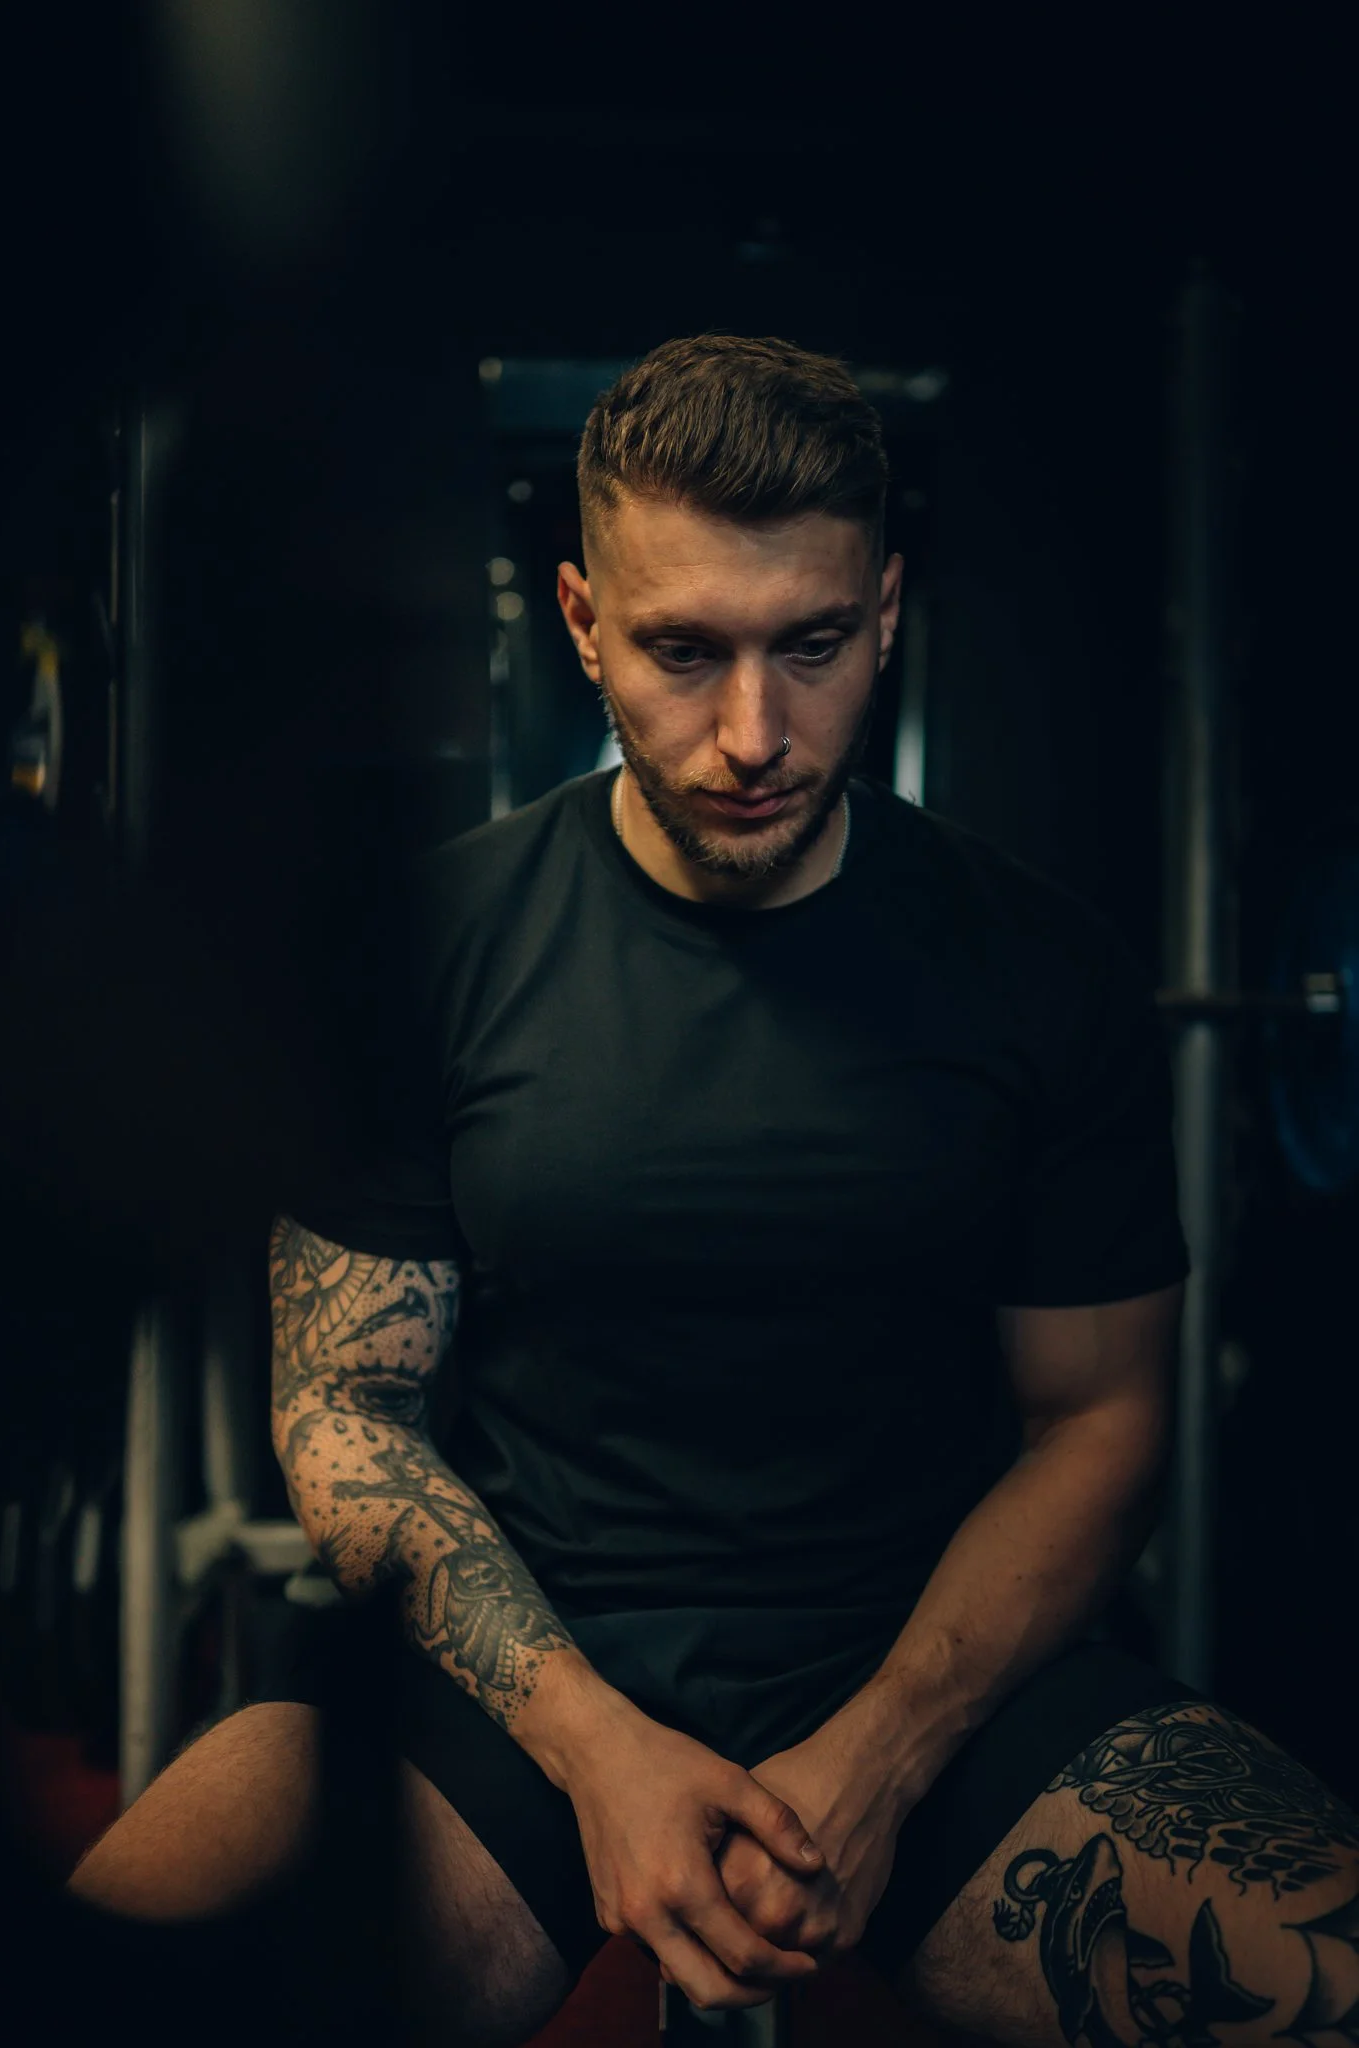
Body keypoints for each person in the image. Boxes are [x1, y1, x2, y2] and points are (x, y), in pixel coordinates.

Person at [71, 336, 1359, 2045]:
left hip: (941, 1675)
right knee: (108, 2000)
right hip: (520, 1679)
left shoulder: (1044, 970)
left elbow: (1101, 1422)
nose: (754, 734)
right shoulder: (419, 959)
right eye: (684, 652)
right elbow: (348, 1409)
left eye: (812, 647)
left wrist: (884, 1753)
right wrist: (600, 1751)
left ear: (885, 610)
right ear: (586, 622)